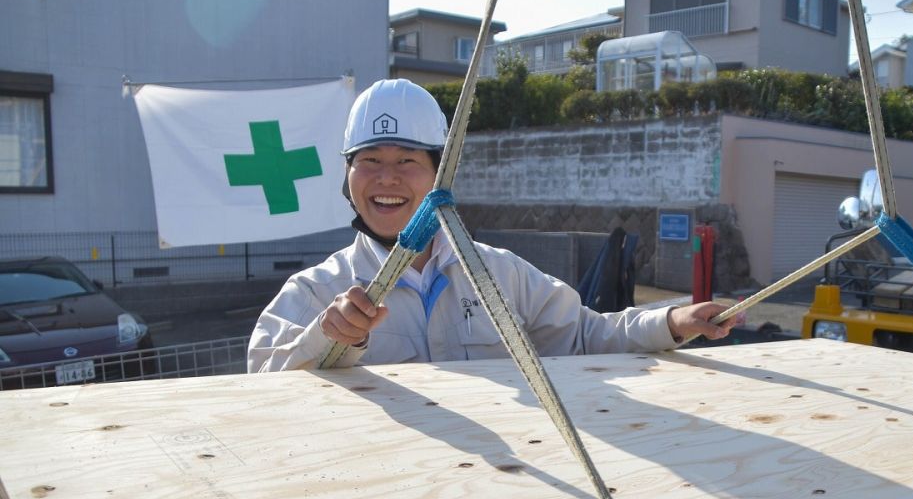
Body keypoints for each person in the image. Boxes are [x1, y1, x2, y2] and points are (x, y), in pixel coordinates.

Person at [248, 79, 732, 373]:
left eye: (407, 161)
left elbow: (586, 337)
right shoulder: (316, 291)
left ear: (440, 173)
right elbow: (262, 381)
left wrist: (669, 322)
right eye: (369, 160)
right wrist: (329, 337)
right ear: (348, 176)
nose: (386, 178)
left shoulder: (501, 275)